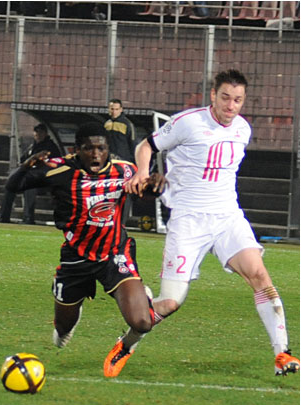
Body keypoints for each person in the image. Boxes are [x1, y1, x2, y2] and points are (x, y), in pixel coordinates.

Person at [122, 69, 299, 377]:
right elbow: (146, 145)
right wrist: (141, 172)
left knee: (259, 275)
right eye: (226, 98)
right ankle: (128, 342)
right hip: (189, 220)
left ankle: (282, 353)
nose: (231, 106)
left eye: (238, 100)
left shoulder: (243, 129)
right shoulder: (187, 123)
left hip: (228, 216)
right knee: (171, 302)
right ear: (213, 96)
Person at [5, 122, 165, 377]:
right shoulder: (60, 169)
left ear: (108, 149)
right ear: (76, 149)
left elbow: (148, 191)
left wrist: (156, 185)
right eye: (88, 148)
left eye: (101, 148)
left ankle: (130, 327)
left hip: (114, 254)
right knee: (62, 328)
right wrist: (27, 165)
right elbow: (13, 186)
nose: (95, 154)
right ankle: (69, 318)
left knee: (142, 322)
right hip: (75, 258)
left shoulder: (125, 171)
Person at [0, 123, 62, 224]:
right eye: (36, 132)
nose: (37, 135)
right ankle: (3, 217)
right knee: (11, 186)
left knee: (30, 188)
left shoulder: (50, 147)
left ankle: (28, 218)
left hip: (45, 180)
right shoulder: (32, 147)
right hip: (30, 177)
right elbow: (23, 160)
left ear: (45, 134)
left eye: (40, 132)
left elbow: (52, 164)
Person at [105, 99, 137, 226]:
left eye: (116, 109)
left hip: (124, 164)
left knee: (124, 192)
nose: (114, 112)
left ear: (121, 109)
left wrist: (135, 165)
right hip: (110, 164)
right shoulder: (106, 124)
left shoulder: (127, 124)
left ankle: (122, 223)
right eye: (112, 109)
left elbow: (133, 144)